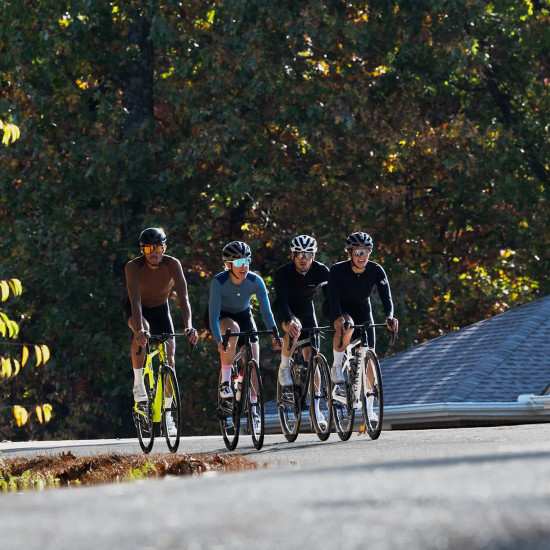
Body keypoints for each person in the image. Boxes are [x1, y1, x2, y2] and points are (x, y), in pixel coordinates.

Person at [124, 228, 198, 434]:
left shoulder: (173, 264)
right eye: (148, 249)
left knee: (170, 358)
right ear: (142, 250)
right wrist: (139, 329)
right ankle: (138, 383)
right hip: (136, 309)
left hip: (160, 310)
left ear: (164, 248)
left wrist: (189, 325)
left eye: (157, 248)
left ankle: (168, 413)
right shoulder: (133, 266)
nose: (153, 253)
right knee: (143, 331)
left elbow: (183, 297)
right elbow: (135, 300)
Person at [325, 231, 399, 421]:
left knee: (370, 354)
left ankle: (370, 408)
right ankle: (336, 366)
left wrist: (390, 317)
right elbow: (332, 297)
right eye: (358, 252)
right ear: (349, 253)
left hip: (362, 310)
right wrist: (338, 317)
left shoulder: (376, 270)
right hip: (338, 308)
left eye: (365, 252)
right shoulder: (337, 270)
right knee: (348, 325)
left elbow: (386, 297)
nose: (362, 256)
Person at [208, 241, 281, 428]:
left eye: (247, 261)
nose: (244, 266)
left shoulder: (256, 281)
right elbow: (213, 317)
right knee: (232, 331)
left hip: (244, 315)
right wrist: (219, 341)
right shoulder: (219, 282)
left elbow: (266, 313)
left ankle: (253, 407)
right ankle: (225, 383)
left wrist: (275, 334)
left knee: (253, 360)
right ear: (228, 265)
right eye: (239, 263)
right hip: (223, 317)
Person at [273, 234, 329, 386]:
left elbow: (330, 298)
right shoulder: (283, 273)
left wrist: (336, 317)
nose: (303, 258)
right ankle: (284, 367)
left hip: (306, 309)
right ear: (293, 255)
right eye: (299, 254)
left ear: (313, 256)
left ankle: (316, 398)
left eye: (307, 254)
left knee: (313, 356)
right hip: (285, 308)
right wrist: (289, 320)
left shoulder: (321, 271)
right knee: (294, 329)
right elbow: (282, 301)